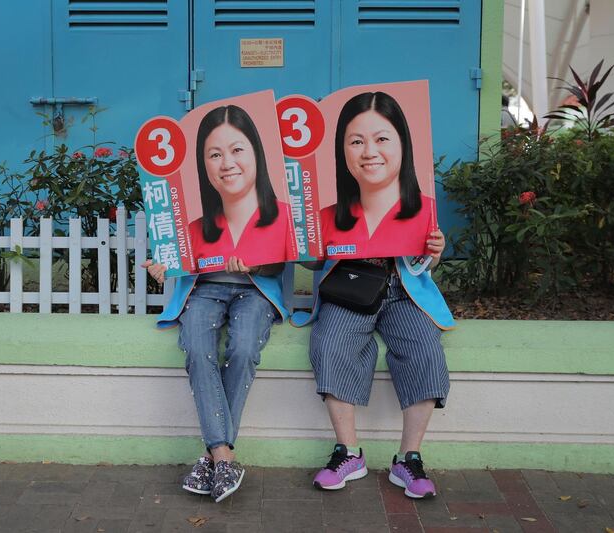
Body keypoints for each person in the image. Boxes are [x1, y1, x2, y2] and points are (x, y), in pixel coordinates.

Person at [295, 227, 454, 500]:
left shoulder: (413, 192)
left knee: (426, 351)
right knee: (331, 342)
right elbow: (310, 261)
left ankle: (408, 458)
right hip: (352, 283)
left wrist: (435, 250)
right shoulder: (328, 193)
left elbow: (428, 262)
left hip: (405, 290)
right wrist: (315, 240)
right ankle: (349, 453)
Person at [142, 251, 287, 502]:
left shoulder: (269, 210)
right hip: (202, 287)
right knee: (197, 350)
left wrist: (257, 264)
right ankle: (223, 456)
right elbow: (170, 245)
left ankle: (211, 458)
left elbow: (280, 260)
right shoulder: (187, 209)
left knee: (244, 349)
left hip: (256, 290)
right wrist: (162, 265)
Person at [319, 91, 434, 259]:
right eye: (357, 142)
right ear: (341, 149)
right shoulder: (324, 219)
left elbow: (425, 266)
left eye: (381, 139)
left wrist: (434, 253)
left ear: (403, 143)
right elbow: (313, 264)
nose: (369, 152)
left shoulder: (427, 212)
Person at [189, 104, 296, 271]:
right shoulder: (193, 231)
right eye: (215, 155)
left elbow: (313, 263)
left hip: (260, 293)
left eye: (237, 150)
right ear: (203, 164)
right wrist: (161, 268)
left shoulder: (288, 217)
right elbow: (178, 272)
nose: (227, 164)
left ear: (257, 153)